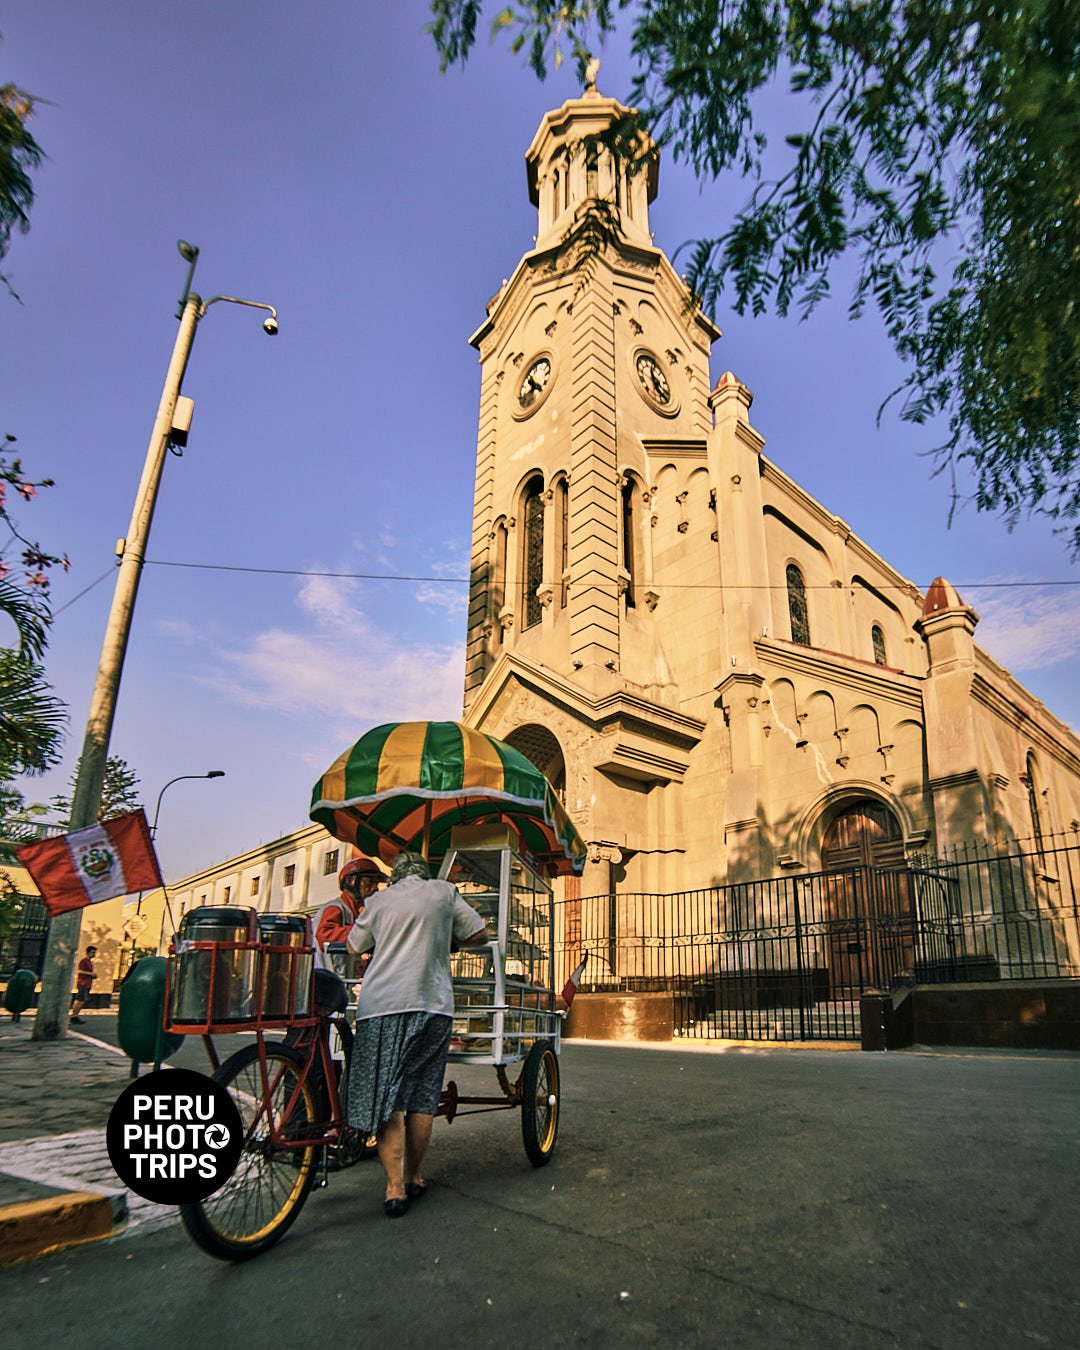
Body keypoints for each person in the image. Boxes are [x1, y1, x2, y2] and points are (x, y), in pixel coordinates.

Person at [345, 850, 488, 1217]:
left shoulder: (378, 900)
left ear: (394, 875)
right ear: (424, 873)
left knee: (387, 1095)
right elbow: (478, 932)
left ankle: (393, 1189)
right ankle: (414, 1176)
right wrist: (446, 940)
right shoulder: (443, 892)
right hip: (432, 1002)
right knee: (422, 1093)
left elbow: (352, 946)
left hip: (381, 1006)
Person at [313, 856, 383, 974]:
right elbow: (324, 935)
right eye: (370, 882)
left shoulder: (357, 912)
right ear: (351, 881)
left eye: (376, 883)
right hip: (329, 981)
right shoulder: (335, 908)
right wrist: (365, 931)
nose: (375, 888)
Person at [70, 945, 97, 1023]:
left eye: (95, 952)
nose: (94, 954)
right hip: (83, 983)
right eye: (93, 952)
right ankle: (73, 1016)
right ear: (88, 952)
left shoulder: (90, 962)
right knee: (79, 1000)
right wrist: (90, 974)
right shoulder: (84, 961)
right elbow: (80, 971)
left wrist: (92, 975)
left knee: (82, 1001)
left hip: (88, 983)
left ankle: (76, 1015)